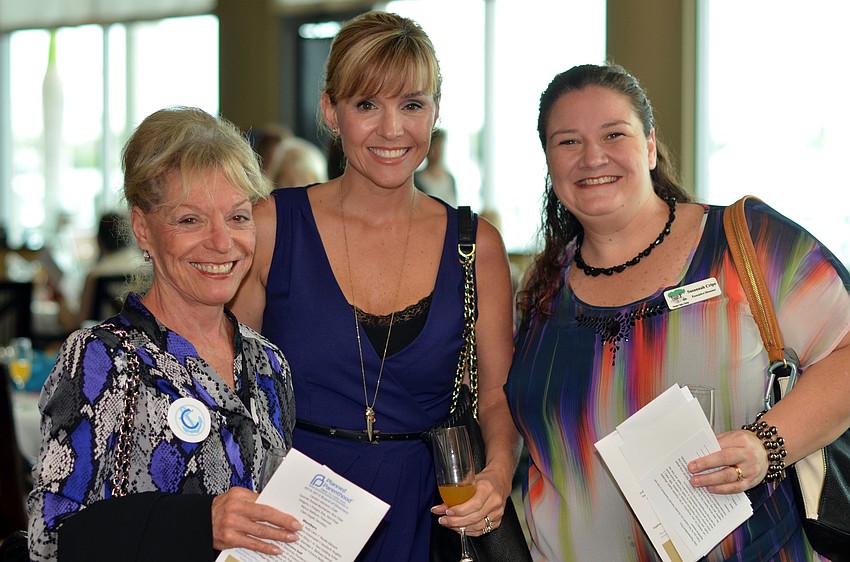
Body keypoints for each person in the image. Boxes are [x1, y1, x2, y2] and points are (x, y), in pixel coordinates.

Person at [505, 62, 850, 561]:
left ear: (648, 146)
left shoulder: (744, 242)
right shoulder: (541, 291)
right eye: (567, 142)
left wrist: (766, 447)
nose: (592, 156)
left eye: (613, 133)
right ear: (549, 161)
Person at [229, 11, 520, 562]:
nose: (392, 130)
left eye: (412, 105)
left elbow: (498, 399)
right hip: (295, 516)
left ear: (435, 113)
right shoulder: (271, 227)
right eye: (367, 105)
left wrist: (498, 476)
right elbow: (231, 392)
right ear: (331, 111)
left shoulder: (476, 246)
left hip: (429, 516)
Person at [27, 106, 300, 562]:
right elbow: (48, 540)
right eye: (190, 220)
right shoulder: (100, 360)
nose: (221, 242)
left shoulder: (268, 362)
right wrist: (198, 523)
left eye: (237, 217)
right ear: (143, 230)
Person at [56, 211, 144, 332]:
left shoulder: (96, 274)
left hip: (102, 343)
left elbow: (80, 321)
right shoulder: (146, 269)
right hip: (142, 340)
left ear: (100, 240)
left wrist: (61, 299)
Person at [414, 128, 457, 206]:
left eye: (439, 147)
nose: (436, 151)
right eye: (434, 147)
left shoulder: (450, 179)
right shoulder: (416, 179)